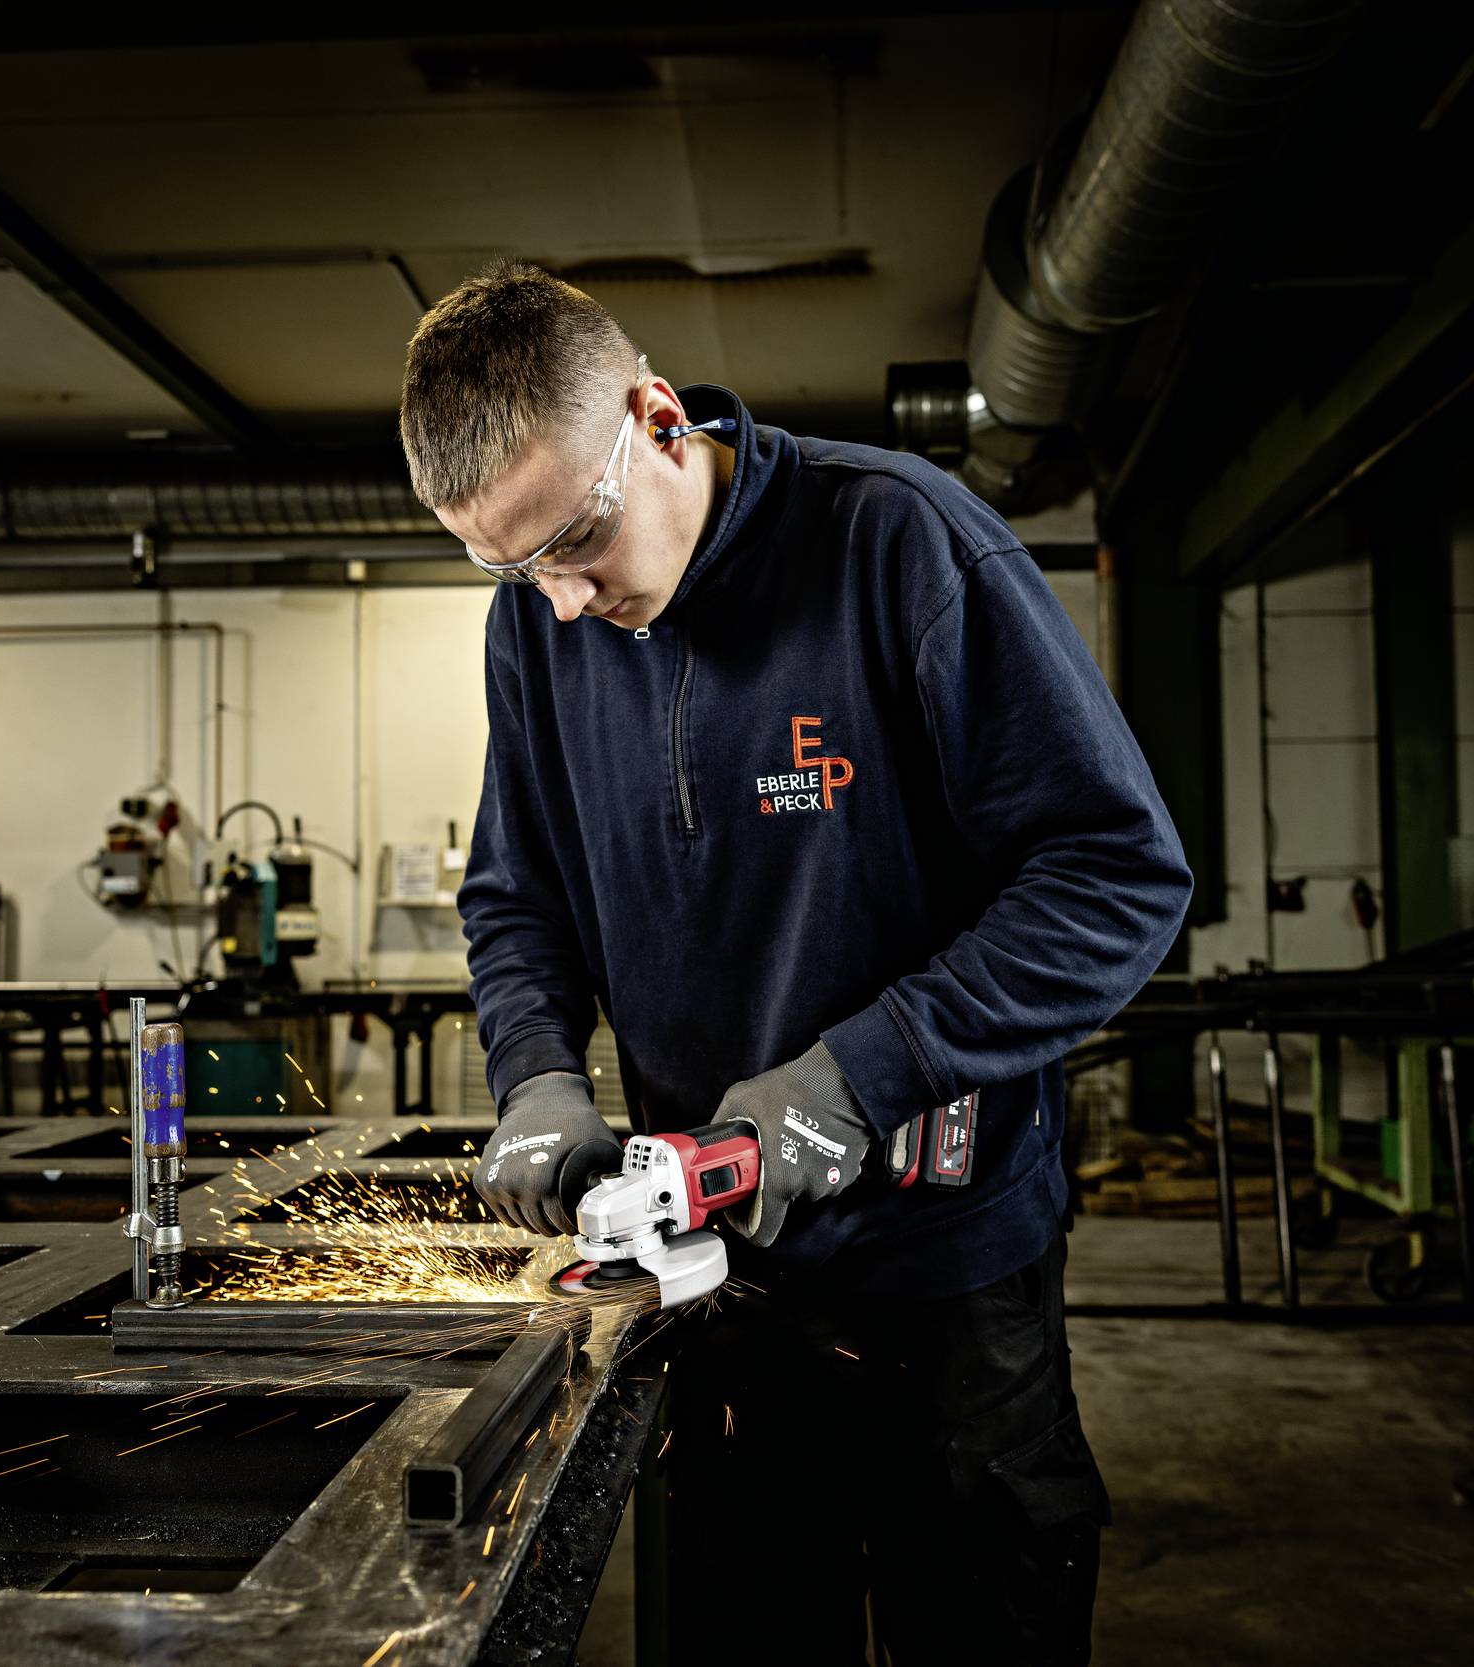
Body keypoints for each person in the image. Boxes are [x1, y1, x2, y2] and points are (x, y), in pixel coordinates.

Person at [400, 260, 1191, 1665]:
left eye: (573, 537)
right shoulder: (536, 623)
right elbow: (518, 898)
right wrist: (535, 1075)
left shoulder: (897, 544)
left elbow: (1114, 877)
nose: (563, 603)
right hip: (716, 1284)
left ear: (654, 416)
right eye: (507, 562)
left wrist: (858, 1075)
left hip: (947, 1273)